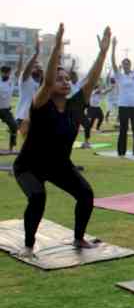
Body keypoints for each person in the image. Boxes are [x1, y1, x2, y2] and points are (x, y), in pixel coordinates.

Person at [13, 24, 111, 259]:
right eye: (60, 79)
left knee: (86, 194)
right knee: (37, 197)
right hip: (29, 165)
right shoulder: (40, 104)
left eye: (68, 79)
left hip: (59, 165)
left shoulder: (75, 105)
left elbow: (91, 80)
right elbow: (47, 83)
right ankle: (28, 246)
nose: (65, 82)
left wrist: (103, 53)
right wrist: (57, 46)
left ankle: (78, 238)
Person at [111, 38, 134, 157]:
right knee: (123, 129)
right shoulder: (119, 76)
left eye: (128, 64)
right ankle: (121, 151)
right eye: (124, 64)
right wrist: (113, 47)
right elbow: (112, 62)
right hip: (123, 106)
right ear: (122, 65)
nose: (126, 65)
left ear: (130, 65)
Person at [16, 36, 43, 136]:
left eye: (38, 66)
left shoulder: (40, 82)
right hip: (23, 116)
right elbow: (28, 68)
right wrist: (36, 54)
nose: (37, 67)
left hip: (36, 116)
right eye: (34, 66)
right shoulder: (25, 79)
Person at [0, 56, 21, 151]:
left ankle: (11, 148)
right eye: (4, 72)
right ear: (1, 73)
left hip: (5, 110)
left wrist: (20, 56)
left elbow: (19, 69)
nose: (6, 74)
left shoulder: (11, 80)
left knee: (14, 126)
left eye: (7, 72)